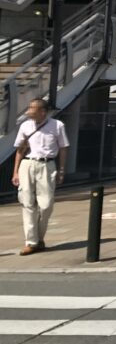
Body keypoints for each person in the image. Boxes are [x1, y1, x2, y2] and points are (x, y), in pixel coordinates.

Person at [11, 98, 70, 256]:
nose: (29, 111)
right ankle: (31, 241)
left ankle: (38, 238)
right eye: (29, 108)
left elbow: (63, 148)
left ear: (42, 112)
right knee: (27, 202)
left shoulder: (57, 126)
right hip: (27, 164)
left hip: (47, 164)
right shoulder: (25, 126)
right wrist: (15, 171)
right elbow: (20, 150)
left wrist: (62, 170)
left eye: (33, 108)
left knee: (46, 204)